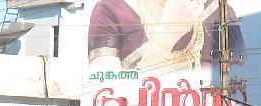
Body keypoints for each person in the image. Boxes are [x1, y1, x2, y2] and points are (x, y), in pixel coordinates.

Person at [88, 0, 244, 71]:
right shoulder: (110, 9)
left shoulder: (221, 12)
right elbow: (102, 91)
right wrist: (167, 36)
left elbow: (242, 84)